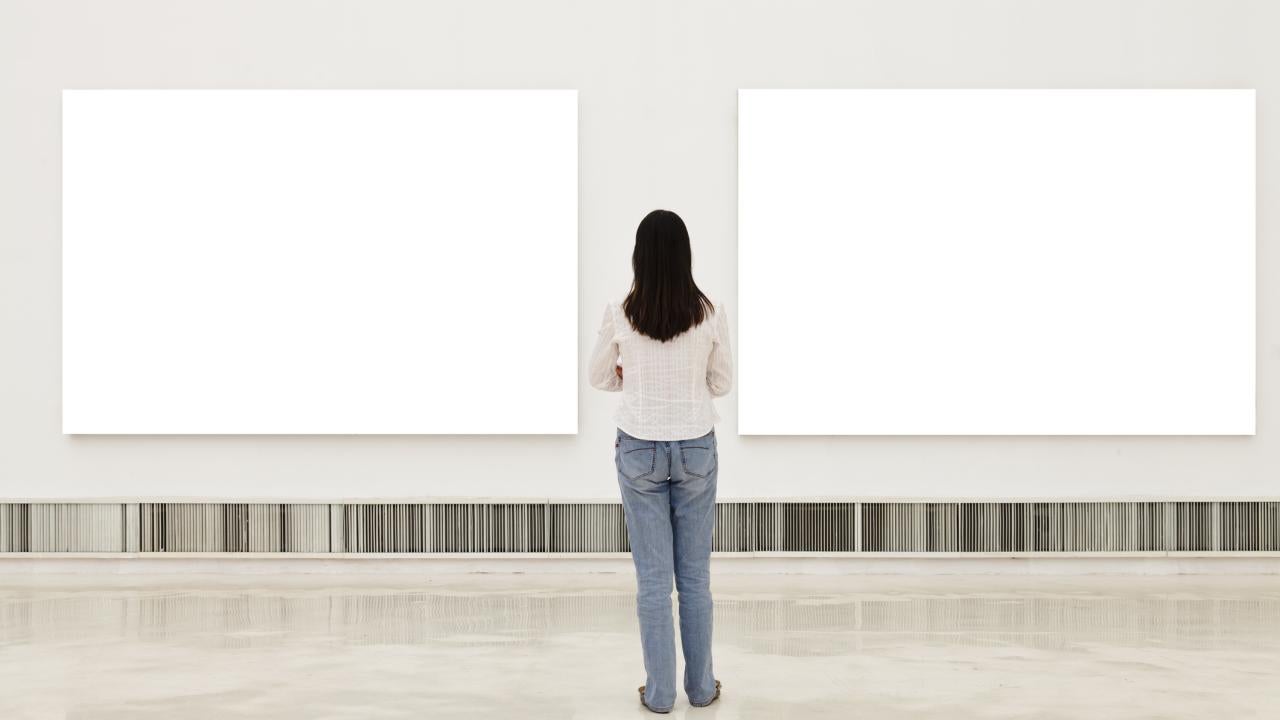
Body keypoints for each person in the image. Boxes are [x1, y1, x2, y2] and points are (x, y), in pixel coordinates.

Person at [588, 208, 733, 713]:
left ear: (640, 256)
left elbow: (599, 377)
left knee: (653, 581)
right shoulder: (710, 311)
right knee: (694, 577)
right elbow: (722, 383)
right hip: (696, 446)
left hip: (639, 448)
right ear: (684, 255)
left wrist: (635, 376)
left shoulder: (620, 311)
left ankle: (659, 695)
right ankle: (701, 688)